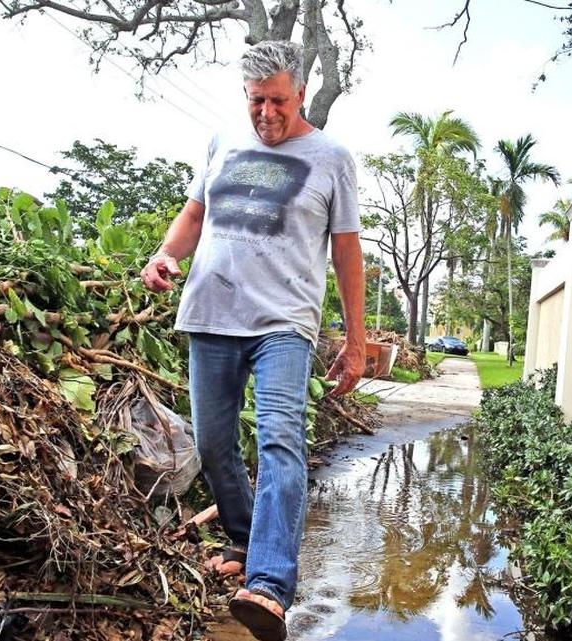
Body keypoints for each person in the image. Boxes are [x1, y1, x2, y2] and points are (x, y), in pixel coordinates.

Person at [139, 40, 366, 641]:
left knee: (280, 440)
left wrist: (356, 338)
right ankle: (243, 539)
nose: (267, 113)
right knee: (213, 444)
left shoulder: (331, 157)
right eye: (256, 101)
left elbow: (346, 250)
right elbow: (194, 214)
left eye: (279, 101)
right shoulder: (221, 144)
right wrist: (164, 254)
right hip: (211, 314)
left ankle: (268, 585)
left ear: (300, 92)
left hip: (284, 325)